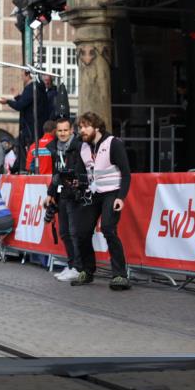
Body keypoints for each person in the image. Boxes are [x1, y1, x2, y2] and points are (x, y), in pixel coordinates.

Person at [71, 112, 132, 290]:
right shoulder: (83, 147)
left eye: (85, 126)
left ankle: (120, 275)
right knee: (81, 232)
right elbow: (82, 173)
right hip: (93, 193)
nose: (82, 130)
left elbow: (127, 174)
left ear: (96, 127)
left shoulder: (113, 143)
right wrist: (77, 181)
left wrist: (121, 197)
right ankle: (87, 271)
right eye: (80, 127)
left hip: (112, 192)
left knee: (108, 229)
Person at [46, 118, 83, 282]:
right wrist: (50, 193)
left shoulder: (78, 147)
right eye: (59, 131)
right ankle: (71, 264)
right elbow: (56, 174)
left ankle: (78, 267)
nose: (62, 133)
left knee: (74, 232)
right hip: (61, 194)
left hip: (74, 195)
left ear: (71, 131)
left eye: (65, 130)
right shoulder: (55, 149)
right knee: (64, 232)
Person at [0, 70, 50, 148]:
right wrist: (17, 97)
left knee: (29, 150)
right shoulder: (38, 88)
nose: (21, 77)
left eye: (22, 74)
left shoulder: (31, 88)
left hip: (31, 127)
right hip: (37, 125)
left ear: (28, 75)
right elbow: (28, 102)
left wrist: (8, 101)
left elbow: (20, 105)